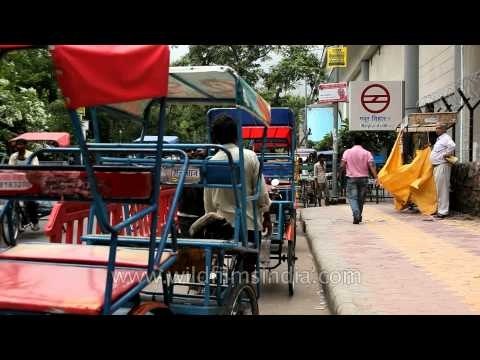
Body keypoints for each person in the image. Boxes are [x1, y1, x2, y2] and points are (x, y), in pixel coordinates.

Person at [204, 115, 272, 272]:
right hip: (247, 228)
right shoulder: (250, 156)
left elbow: (208, 206)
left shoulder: (210, 162)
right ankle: (245, 280)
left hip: (221, 228)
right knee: (247, 268)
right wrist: (266, 216)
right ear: (236, 135)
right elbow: (261, 194)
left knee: (218, 266)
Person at [340, 134, 378, 224]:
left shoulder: (347, 152)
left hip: (351, 178)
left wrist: (340, 173)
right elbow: (372, 166)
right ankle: (358, 215)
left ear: (353, 143)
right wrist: (376, 177)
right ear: (362, 143)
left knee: (353, 198)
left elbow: (342, 165)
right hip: (363, 179)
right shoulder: (367, 153)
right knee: (361, 199)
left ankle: (356, 214)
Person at [8, 138, 40, 230]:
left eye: (21, 144)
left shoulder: (32, 155)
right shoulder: (13, 156)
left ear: (25, 145)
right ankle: (19, 222)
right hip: (17, 182)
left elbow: (35, 169)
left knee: (30, 201)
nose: (19, 146)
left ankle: (35, 222)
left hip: (30, 181)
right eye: (18, 145)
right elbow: (10, 169)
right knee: (11, 201)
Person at [429, 123, 456, 219]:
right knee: (438, 189)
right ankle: (439, 210)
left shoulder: (446, 138)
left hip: (443, 165)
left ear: (444, 129)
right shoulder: (439, 139)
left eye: (438, 128)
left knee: (442, 189)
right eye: (436, 127)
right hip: (437, 166)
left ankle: (443, 212)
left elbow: (452, 145)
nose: (436, 129)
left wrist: (446, 154)